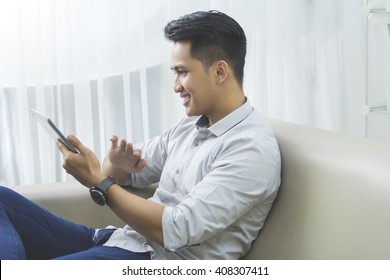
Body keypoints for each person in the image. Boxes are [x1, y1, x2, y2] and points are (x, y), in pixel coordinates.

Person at [0, 10, 281, 260]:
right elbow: (122, 174)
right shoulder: (191, 125)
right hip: (121, 242)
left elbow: (177, 230)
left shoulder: (250, 149)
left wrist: (99, 181)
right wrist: (113, 167)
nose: (175, 86)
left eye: (182, 73)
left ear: (220, 71)